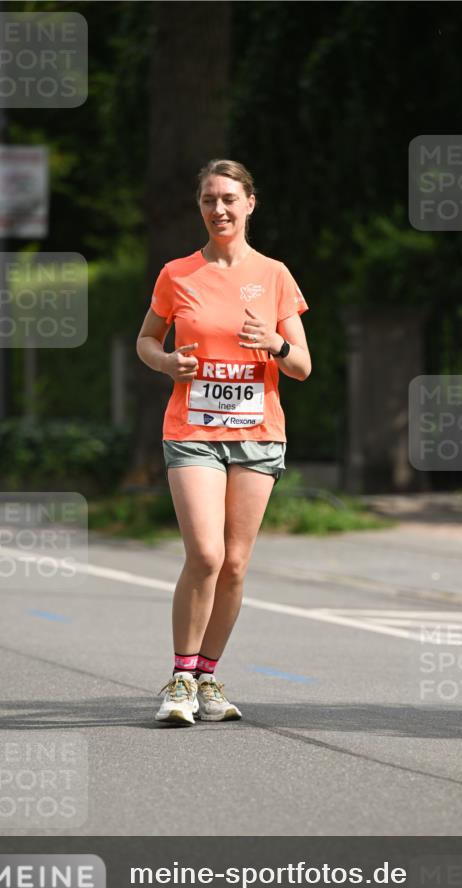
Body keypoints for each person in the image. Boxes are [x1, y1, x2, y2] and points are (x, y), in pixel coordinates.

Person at [136, 158, 311, 726]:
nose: (219, 209)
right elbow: (145, 340)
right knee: (205, 554)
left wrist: (275, 345)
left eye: (229, 199)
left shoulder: (276, 275)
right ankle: (180, 679)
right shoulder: (178, 273)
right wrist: (166, 362)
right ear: (200, 207)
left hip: (258, 436)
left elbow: (305, 366)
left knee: (235, 565)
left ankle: (209, 676)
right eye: (209, 200)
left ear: (250, 204)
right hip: (193, 431)